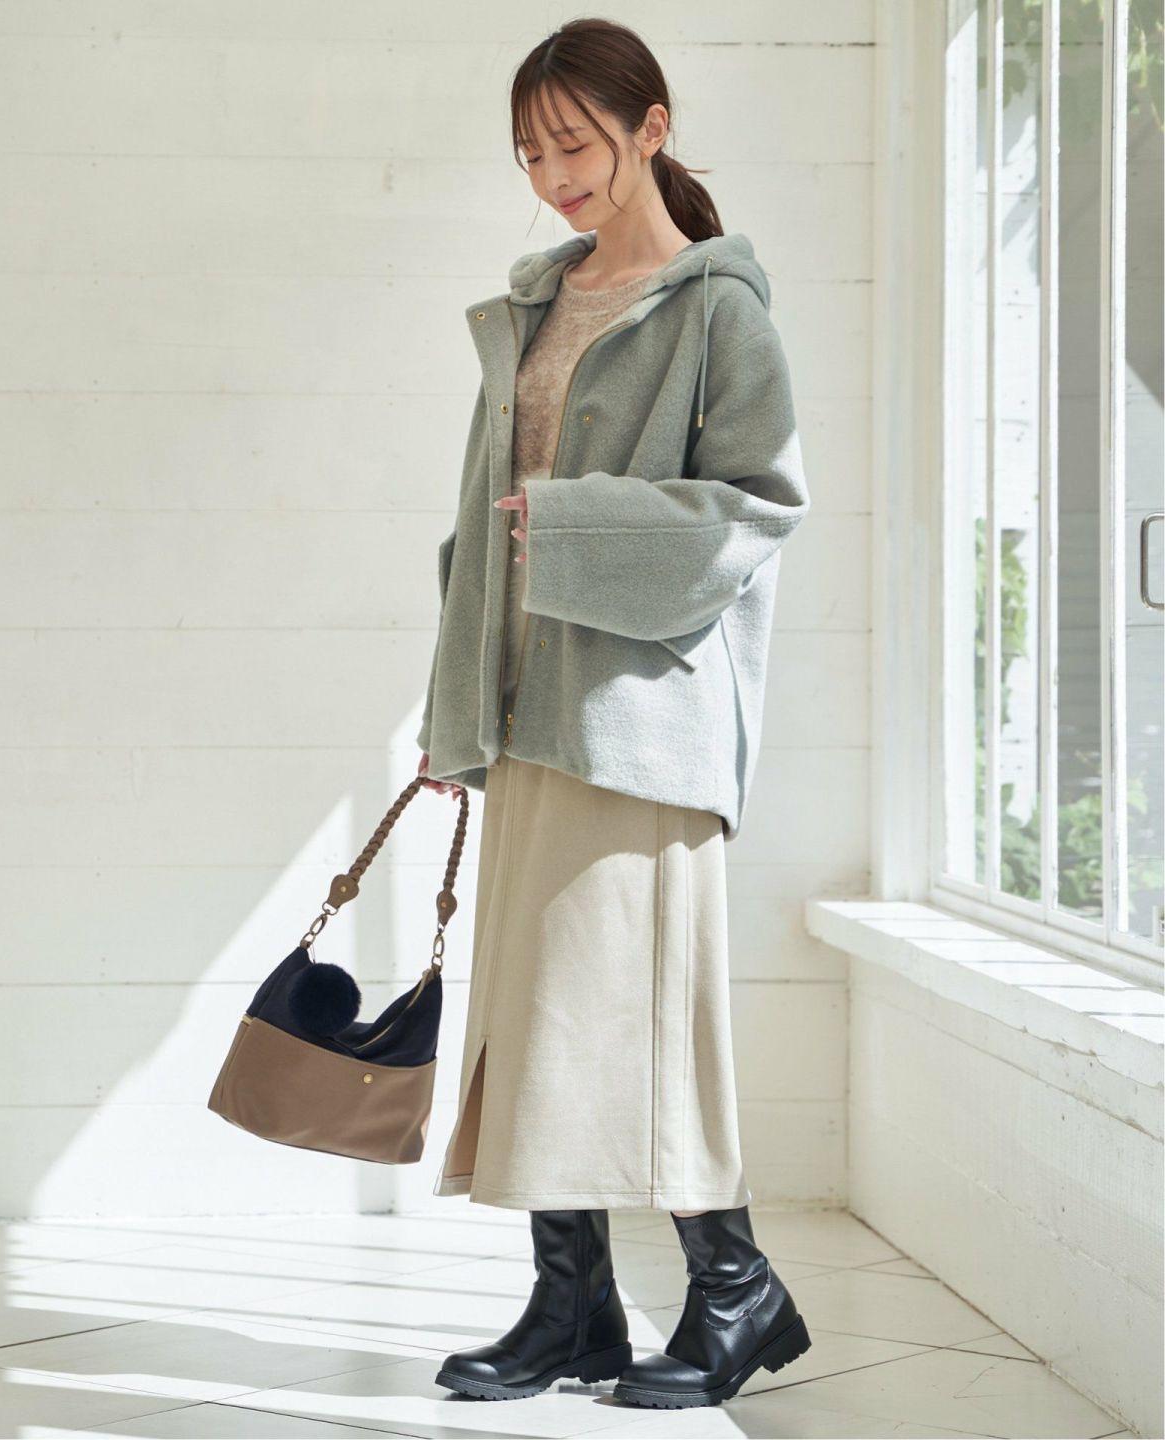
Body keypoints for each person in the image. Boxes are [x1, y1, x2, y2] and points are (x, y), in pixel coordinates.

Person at [416, 17, 812, 1410]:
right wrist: (455, 707)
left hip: (643, 718)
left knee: (646, 1015)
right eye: (530, 153)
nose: (553, 176)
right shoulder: (536, 305)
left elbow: (760, 509)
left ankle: (735, 1288)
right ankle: (572, 1303)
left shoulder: (718, 312)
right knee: (538, 1013)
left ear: (652, 127)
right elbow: (480, 525)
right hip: (526, 704)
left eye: (575, 144)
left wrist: (581, 529)